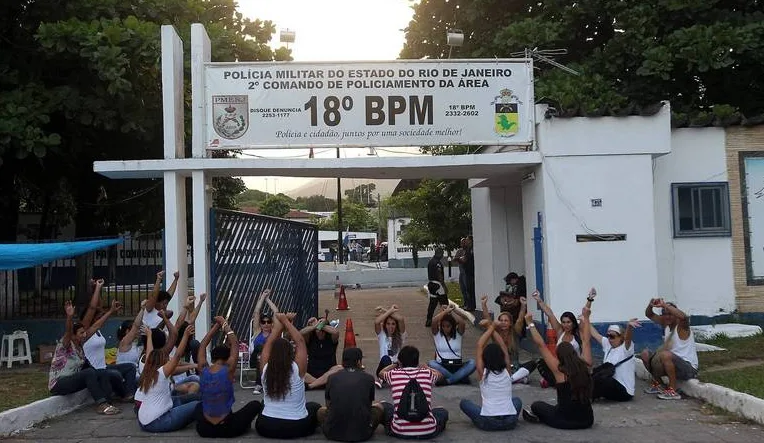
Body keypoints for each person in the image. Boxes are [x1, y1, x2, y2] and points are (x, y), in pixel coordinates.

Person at [522, 305, 594, 429]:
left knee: (537, 406)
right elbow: (586, 340)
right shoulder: (585, 365)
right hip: (587, 420)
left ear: (559, 356)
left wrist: (530, 324)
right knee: (557, 406)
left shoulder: (559, 371)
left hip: (565, 421)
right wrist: (586, 317)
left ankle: (541, 417)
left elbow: (541, 345)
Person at [255, 312, 321, 439]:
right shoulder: (297, 368)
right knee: (314, 407)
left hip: (266, 427)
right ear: (291, 352)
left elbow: (268, 344)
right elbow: (300, 341)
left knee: (264, 403)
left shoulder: (265, 368)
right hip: (296, 427)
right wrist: (286, 321)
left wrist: (279, 326)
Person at [195, 316, 262, 438]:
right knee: (255, 404)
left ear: (213, 358)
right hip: (228, 428)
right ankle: (245, 426)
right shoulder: (229, 369)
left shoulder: (203, 369)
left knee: (199, 406)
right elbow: (235, 344)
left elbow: (203, 345)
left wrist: (216, 326)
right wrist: (224, 324)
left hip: (204, 430)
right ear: (227, 359)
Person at [49, 300, 120, 415]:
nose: (84, 335)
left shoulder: (80, 347)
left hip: (73, 380)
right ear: (73, 335)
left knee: (101, 372)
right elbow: (68, 330)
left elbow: (97, 325)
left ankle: (107, 402)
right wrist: (69, 316)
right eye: (81, 333)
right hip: (59, 384)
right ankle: (101, 405)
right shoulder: (66, 344)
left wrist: (111, 311)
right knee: (89, 372)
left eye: (84, 333)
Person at [459, 321, 524, 431]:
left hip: (489, 422)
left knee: (464, 403)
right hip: (510, 421)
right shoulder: (507, 371)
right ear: (502, 357)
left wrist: (491, 327)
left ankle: (486, 415)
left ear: (485, 358)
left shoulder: (483, 373)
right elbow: (503, 345)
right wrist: (491, 327)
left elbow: (480, 345)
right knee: (517, 401)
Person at [135, 324, 200, 432]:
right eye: (165, 359)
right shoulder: (161, 372)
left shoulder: (147, 370)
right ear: (161, 361)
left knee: (194, 398)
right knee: (198, 405)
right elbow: (177, 355)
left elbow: (150, 353)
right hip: (159, 421)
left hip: (143, 422)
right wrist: (185, 336)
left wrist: (149, 335)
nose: (167, 360)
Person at [81, 279, 135, 401]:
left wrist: (97, 288)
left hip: (104, 367)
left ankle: (128, 395)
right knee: (114, 375)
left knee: (130, 367)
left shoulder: (97, 331)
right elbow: (92, 308)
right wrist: (97, 290)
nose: (101, 317)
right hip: (95, 370)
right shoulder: (85, 332)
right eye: (98, 317)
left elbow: (98, 308)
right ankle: (120, 394)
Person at [378, 346, 448, 439]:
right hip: (428, 431)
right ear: (417, 361)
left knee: (384, 405)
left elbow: (381, 373)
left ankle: (402, 426)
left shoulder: (393, 374)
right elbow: (440, 375)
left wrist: (395, 364)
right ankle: (424, 425)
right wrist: (427, 367)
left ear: (400, 361)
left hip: (400, 431)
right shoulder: (427, 373)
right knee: (441, 411)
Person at [318, 348, 384, 442]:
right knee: (379, 407)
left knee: (320, 411)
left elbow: (328, 405)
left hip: (332, 433)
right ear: (359, 362)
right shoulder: (369, 378)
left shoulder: (332, 378)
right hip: (362, 434)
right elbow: (368, 404)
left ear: (342, 361)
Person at [641, 298, 699, 400]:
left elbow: (684, 317)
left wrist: (665, 305)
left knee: (665, 354)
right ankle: (658, 384)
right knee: (645, 354)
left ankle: (673, 390)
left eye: (670, 313)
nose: (667, 316)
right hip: (672, 365)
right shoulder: (666, 325)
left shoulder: (682, 327)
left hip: (688, 369)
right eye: (664, 314)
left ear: (675, 315)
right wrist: (651, 305)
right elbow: (649, 314)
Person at [533, 289, 585, 387]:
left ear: (573, 323)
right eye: (563, 322)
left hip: (574, 369)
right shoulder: (560, 332)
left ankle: (557, 381)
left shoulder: (578, 335)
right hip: (560, 367)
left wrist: (589, 302)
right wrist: (539, 300)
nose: (566, 325)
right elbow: (550, 314)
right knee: (541, 363)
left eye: (568, 322)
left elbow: (585, 327)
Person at [480, 294, 535, 381]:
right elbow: (488, 320)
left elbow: (520, 319)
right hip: (500, 367)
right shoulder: (496, 333)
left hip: (515, 366)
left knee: (534, 363)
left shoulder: (515, 332)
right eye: (501, 320)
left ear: (510, 323)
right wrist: (484, 305)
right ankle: (516, 378)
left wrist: (523, 305)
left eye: (506, 321)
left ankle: (512, 379)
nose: (503, 322)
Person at [590, 321, 638, 402]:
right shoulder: (608, 345)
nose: (609, 339)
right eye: (608, 336)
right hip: (612, 387)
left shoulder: (626, 349)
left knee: (603, 381)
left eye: (612, 336)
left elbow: (628, 339)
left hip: (625, 391)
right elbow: (595, 334)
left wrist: (629, 327)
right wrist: (585, 318)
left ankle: (589, 396)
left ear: (621, 337)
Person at [427, 305, 476, 385]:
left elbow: (462, 322)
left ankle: (449, 381)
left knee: (473, 363)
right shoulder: (437, 334)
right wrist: (445, 312)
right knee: (431, 363)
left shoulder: (458, 334)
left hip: (457, 365)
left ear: (453, 326)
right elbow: (434, 321)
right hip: (442, 365)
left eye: (448, 326)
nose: (445, 328)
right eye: (443, 326)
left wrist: (452, 311)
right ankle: (459, 378)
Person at [249, 289, 279, 395]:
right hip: (256, 358)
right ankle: (260, 383)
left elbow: (276, 312)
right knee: (259, 351)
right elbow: (256, 312)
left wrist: (268, 299)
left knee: (266, 351)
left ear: (271, 323)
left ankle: (260, 384)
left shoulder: (274, 332)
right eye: (263, 322)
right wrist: (262, 297)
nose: (266, 324)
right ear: (260, 324)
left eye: (268, 322)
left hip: (270, 358)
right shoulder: (257, 331)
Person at [301, 315, 342, 389]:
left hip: (328, 372)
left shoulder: (331, 339)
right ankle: (321, 383)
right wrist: (314, 326)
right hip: (312, 373)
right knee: (299, 371)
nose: (320, 332)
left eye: (322, 330)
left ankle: (313, 385)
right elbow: (301, 333)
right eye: (317, 330)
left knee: (339, 368)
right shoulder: (310, 338)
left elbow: (336, 332)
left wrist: (322, 324)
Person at [373, 305, 407, 389]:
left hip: (396, 367)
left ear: (396, 325)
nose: (390, 326)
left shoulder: (401, 335)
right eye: (388, 324)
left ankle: (384, 379)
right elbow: (377, 322)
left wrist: (386, 310)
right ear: (385, 325)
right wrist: (390, 311)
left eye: (393, 324)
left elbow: (401, 319)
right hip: (383, 367)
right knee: (385, 358)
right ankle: (383, 378)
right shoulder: (382, 335)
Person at [425, 248, 448, 327]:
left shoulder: (431, 261)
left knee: (432, 304)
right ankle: (447, 320)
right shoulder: (437, 263)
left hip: (431, 285)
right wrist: (444, 286)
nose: (442, 255)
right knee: (444, 303)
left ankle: (429, 320)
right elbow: (439, 275)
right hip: (438, 284)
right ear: (439, 253)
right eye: (442, 254)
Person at [457, 236, 476, 311]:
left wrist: (461, 259)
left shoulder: (471, 249)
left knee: (470, 290)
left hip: (470, 273)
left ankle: (471, 305)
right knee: (467, 289)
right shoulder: (468, 249)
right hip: (466, 271)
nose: (466, 242)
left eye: (467, 240)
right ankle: (469, 305)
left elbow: (465, 259)